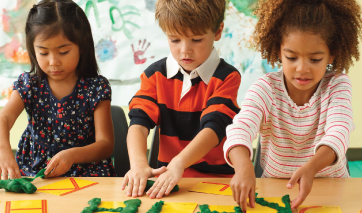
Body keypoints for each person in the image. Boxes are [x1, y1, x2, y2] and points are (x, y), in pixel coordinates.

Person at [224, 0, 362, 211]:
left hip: (330, 188)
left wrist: (312, 167)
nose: (302, 68)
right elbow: (240, 128)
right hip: (277, 190)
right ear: (278, 51)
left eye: (315, 59)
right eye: (291, 57)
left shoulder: (337, 85)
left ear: (331, 54)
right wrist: (243, 167)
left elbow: (338, 132)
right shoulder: (266, 88)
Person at [122, 0, 242, 199]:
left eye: (196, 40)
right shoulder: (155, 76)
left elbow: (214, 129)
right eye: (175, 40)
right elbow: (138, 122)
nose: (185, 50)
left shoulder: (227, 77)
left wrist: (178, 163)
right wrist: (138, 164)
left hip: (217, 182)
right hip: (167, 182)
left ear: (218, 31)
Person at [0, 0, 115, 179]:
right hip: (35, 171)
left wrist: (71, 156)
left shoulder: (95, 87)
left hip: (85, 171)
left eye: (63, 52)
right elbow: (2, 119)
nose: (53, 61)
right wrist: (3, 151)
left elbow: (105, 145)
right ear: (33, 49)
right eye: (43, 52)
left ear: (83, 44)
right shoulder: (29, 85)